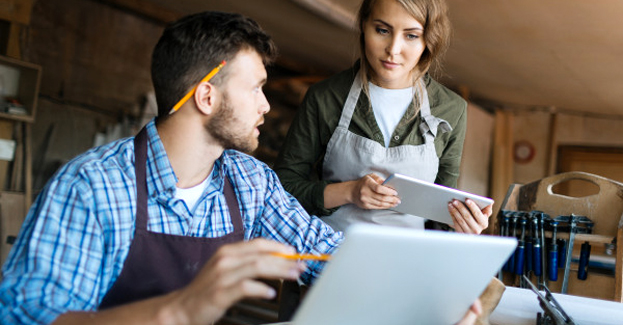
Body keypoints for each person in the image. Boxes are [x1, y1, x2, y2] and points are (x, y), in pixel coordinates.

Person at [0, 10, 483, 325]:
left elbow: (329, 254)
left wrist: (432, 295)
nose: (266, 107)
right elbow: (27, 316)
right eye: (255, 89)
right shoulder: (93, 186)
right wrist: (176, 312)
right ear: (206, 96)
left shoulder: (248, 181)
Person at [274, 0, 492, 234]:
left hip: (408, 261)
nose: (393, 49)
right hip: (331, 256)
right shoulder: (325, 97)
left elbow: (441, 211)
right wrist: (349, 191)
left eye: (411, 36)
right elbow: (282, 189)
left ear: (429, 39)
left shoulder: (450, 109)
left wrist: (461, 224)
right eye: (382, 30)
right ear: (364, 26)